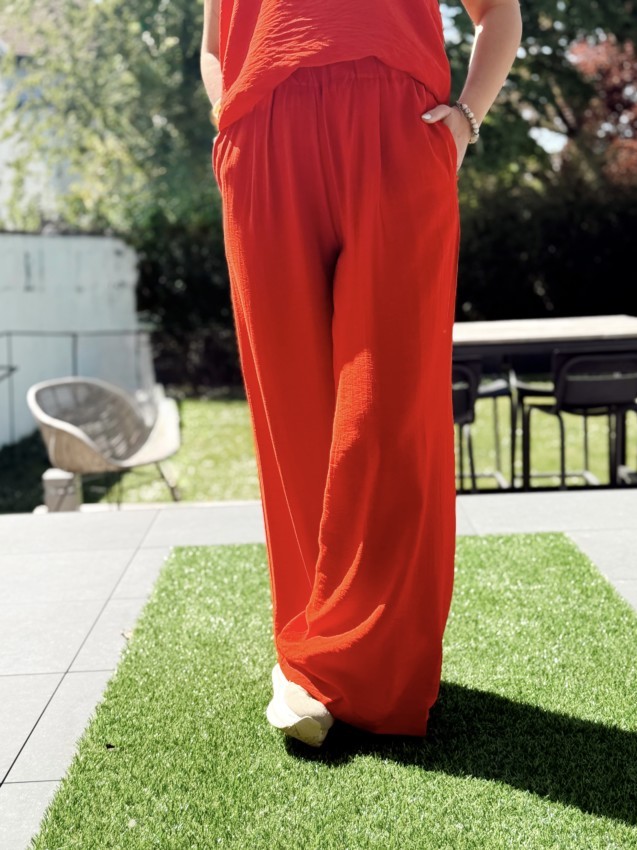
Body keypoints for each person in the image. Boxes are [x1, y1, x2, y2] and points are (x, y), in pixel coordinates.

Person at [200, 0, 523, 748]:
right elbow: (215, 46)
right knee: (294, 414)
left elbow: (498, 13)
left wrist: (465, 120)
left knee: (385, 412)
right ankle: (309, 657)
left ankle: (363, 667)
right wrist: (230, 119)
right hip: (261, 138)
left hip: (395, 129)